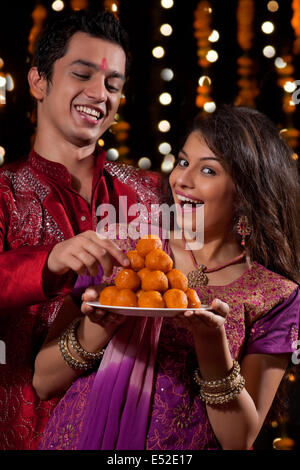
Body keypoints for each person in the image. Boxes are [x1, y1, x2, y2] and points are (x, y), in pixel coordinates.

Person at [36, 105, 300, 450]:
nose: (181, 180)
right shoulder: (124, 250)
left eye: (207, 170)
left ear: (247, 191)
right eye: (183, 161)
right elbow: (43, 381)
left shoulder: (276, 295)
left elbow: (239, 439)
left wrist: (210, 343)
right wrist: (100, 326)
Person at [0, 10, 162, 450]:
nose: (99, 94)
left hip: (132, 437)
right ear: (38, 82)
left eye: (113, 84)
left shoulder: (146, 196)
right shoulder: (5, 192)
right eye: (82, 74)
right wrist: (47, 261)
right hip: (25, 429)